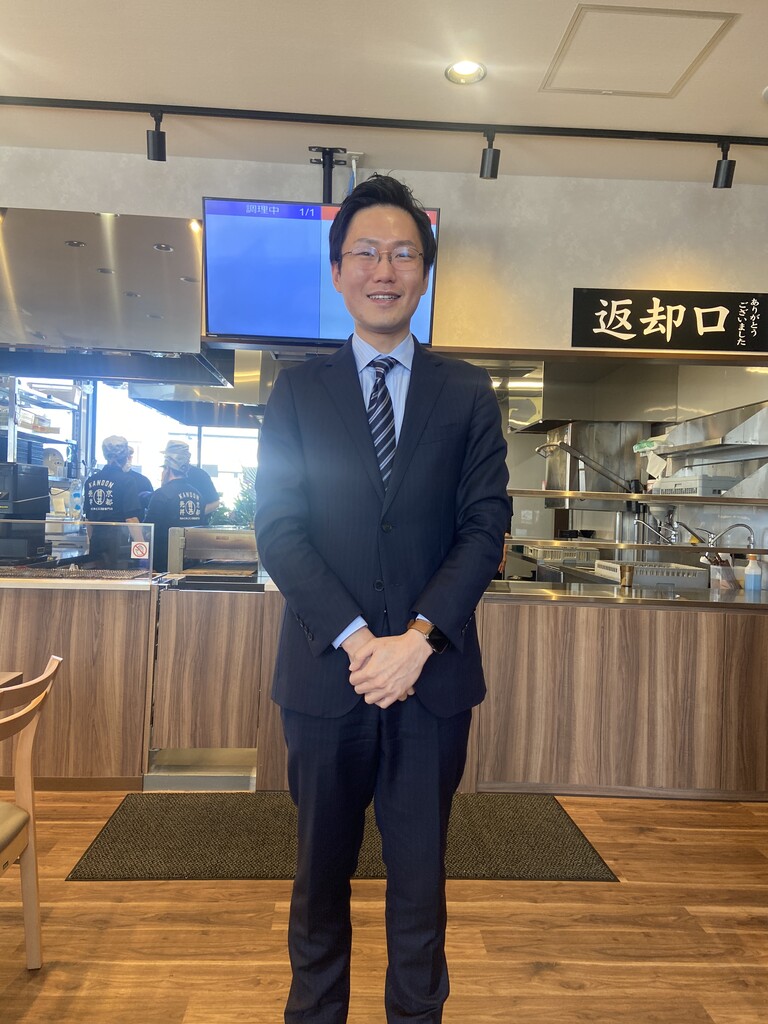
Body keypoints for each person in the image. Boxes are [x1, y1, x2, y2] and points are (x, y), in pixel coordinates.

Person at [254, 174, 509, 1024]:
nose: (384, 269)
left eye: (403, 253)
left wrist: (418, 640)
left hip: (431, 685)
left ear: (425, 273)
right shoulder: (297, 392)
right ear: (338, 272)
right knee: (318, 879)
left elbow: (484, 527)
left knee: (421, 882)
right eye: (365, 252)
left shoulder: (467, 392)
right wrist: (363, 642)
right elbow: (279, 530)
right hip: (328, 679)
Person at [83, 434, 143, 567]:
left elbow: (88, 520)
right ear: (125, 457)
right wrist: (142, 551)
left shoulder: (91, 481)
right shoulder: (127, 481)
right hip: (118, 546)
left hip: (96, 544)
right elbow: (131, 519)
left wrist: (92, 543)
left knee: (98, 577)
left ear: (105, 455)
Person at [144, 448, 205, 572]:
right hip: (191, 562)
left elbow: (149, 529)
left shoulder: (161, 494)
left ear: (168, 469)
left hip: (164, 563)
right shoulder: (197, 494)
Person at [161, 440, 220, 522]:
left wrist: (194, 515)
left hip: (195, 527)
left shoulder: (200, 475)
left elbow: (215, 503)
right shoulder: (168, 473)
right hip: (170, 526)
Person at [124, 446, 154, 515]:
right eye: (124, 457)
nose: (127, 459)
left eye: (129, 457)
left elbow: (152, 508)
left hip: (136, 521)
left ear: (131, 458)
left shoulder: (143, 481)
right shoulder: (107, 480)